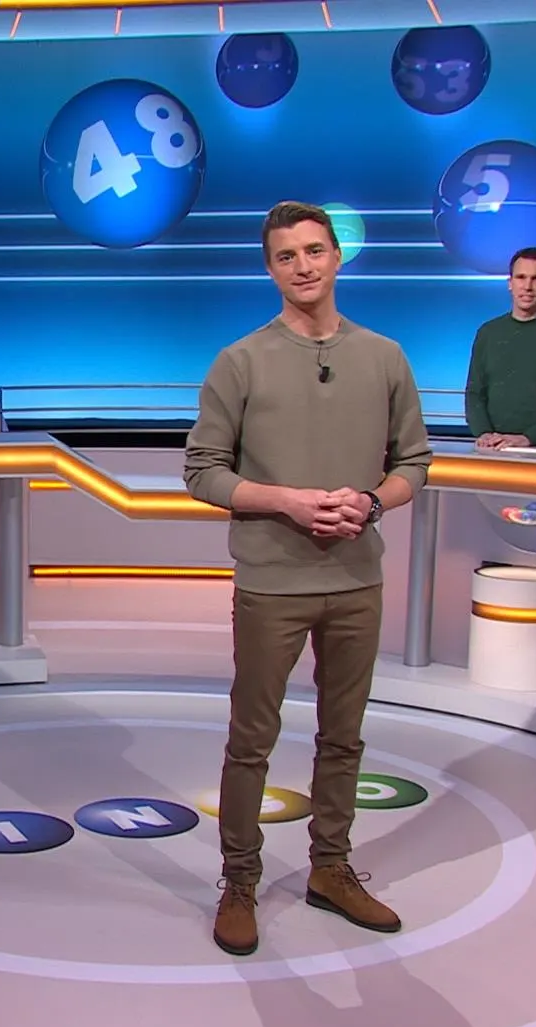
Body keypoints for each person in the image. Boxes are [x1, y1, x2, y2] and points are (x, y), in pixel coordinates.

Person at [183, 201, 434, 956]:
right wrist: (287, 501)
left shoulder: (385, 357)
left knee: (343, 735)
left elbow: (414, 464)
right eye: (287, 255)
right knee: (252, 740)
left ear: (337, 256)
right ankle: (239, 882)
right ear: (270, 269)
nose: (303, 265)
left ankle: (331, 868)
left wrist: (372, 501)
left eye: (315, 250)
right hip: (272, 582)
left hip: (356, 579)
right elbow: (202, 472)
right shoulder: (240, 361)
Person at [463, 247, 536, 449]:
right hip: (491, 448)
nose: (527, 286)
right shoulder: (488, 332)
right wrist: (484, 434)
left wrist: (528, 438)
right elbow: (475, 393)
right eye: (521, 277)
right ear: (510, 283)